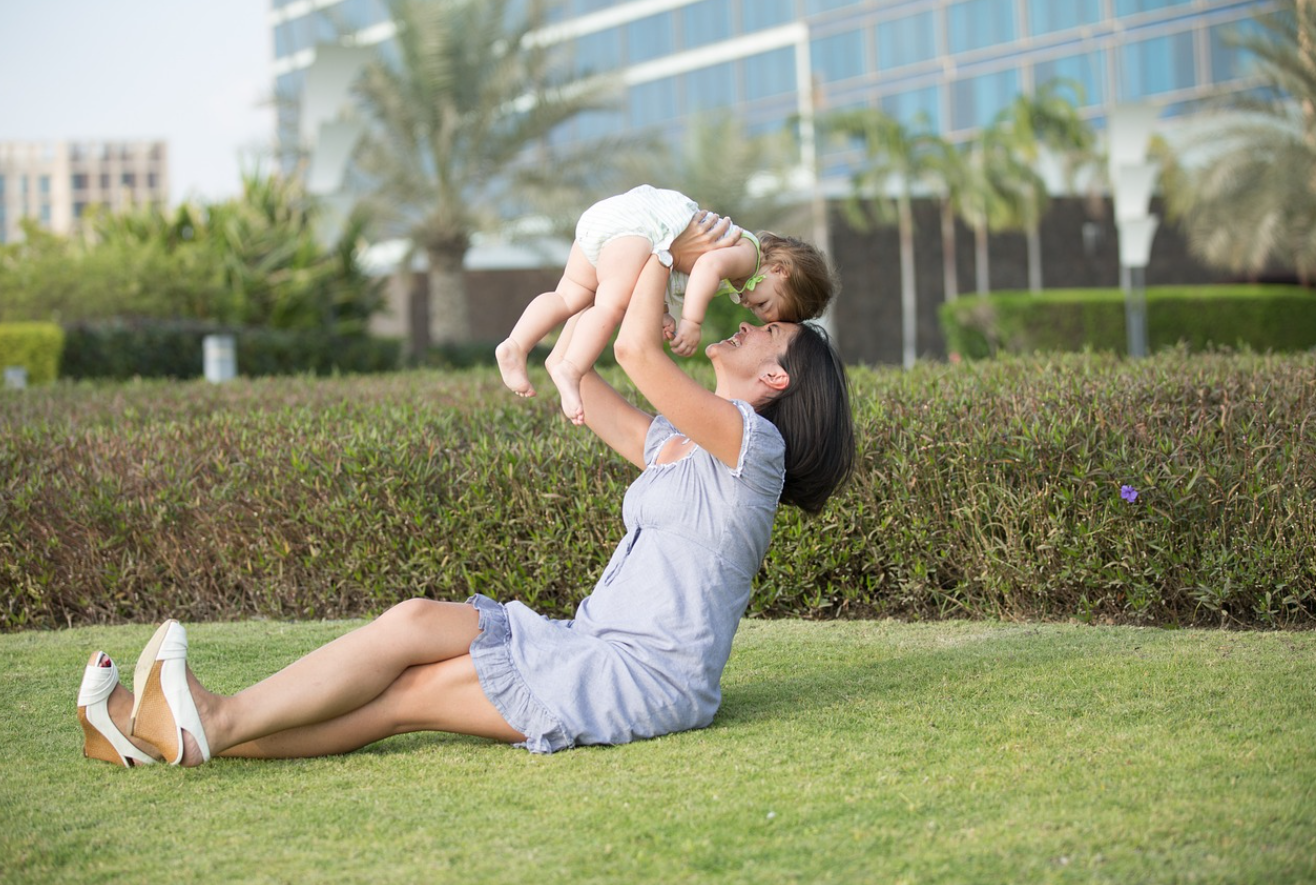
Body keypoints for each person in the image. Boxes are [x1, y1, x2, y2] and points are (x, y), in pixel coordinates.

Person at [74, 211, 856, 767]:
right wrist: (585, 291)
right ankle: (151, 730)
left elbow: (637, 351)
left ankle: (205, 722)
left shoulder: (754, 446)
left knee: (413, 694)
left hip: (642, 677)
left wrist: (660, 232)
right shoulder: (683, 444)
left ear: (775, 377)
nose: (750, 322)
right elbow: (587, 373)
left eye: (769, 331)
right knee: (414, 623)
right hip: (584, 638)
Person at [495, 184, 835, 424]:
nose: (751, 310)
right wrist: (690, 321)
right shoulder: (748, 256)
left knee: (570, 296)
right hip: (642, 228)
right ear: (780, 270)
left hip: (613, 221)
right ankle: (571, 367)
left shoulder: (740, 269)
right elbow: (703, 265)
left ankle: (515, 344)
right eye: (764, 305)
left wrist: (661, 312)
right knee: (611, 306)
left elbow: (669, 269)